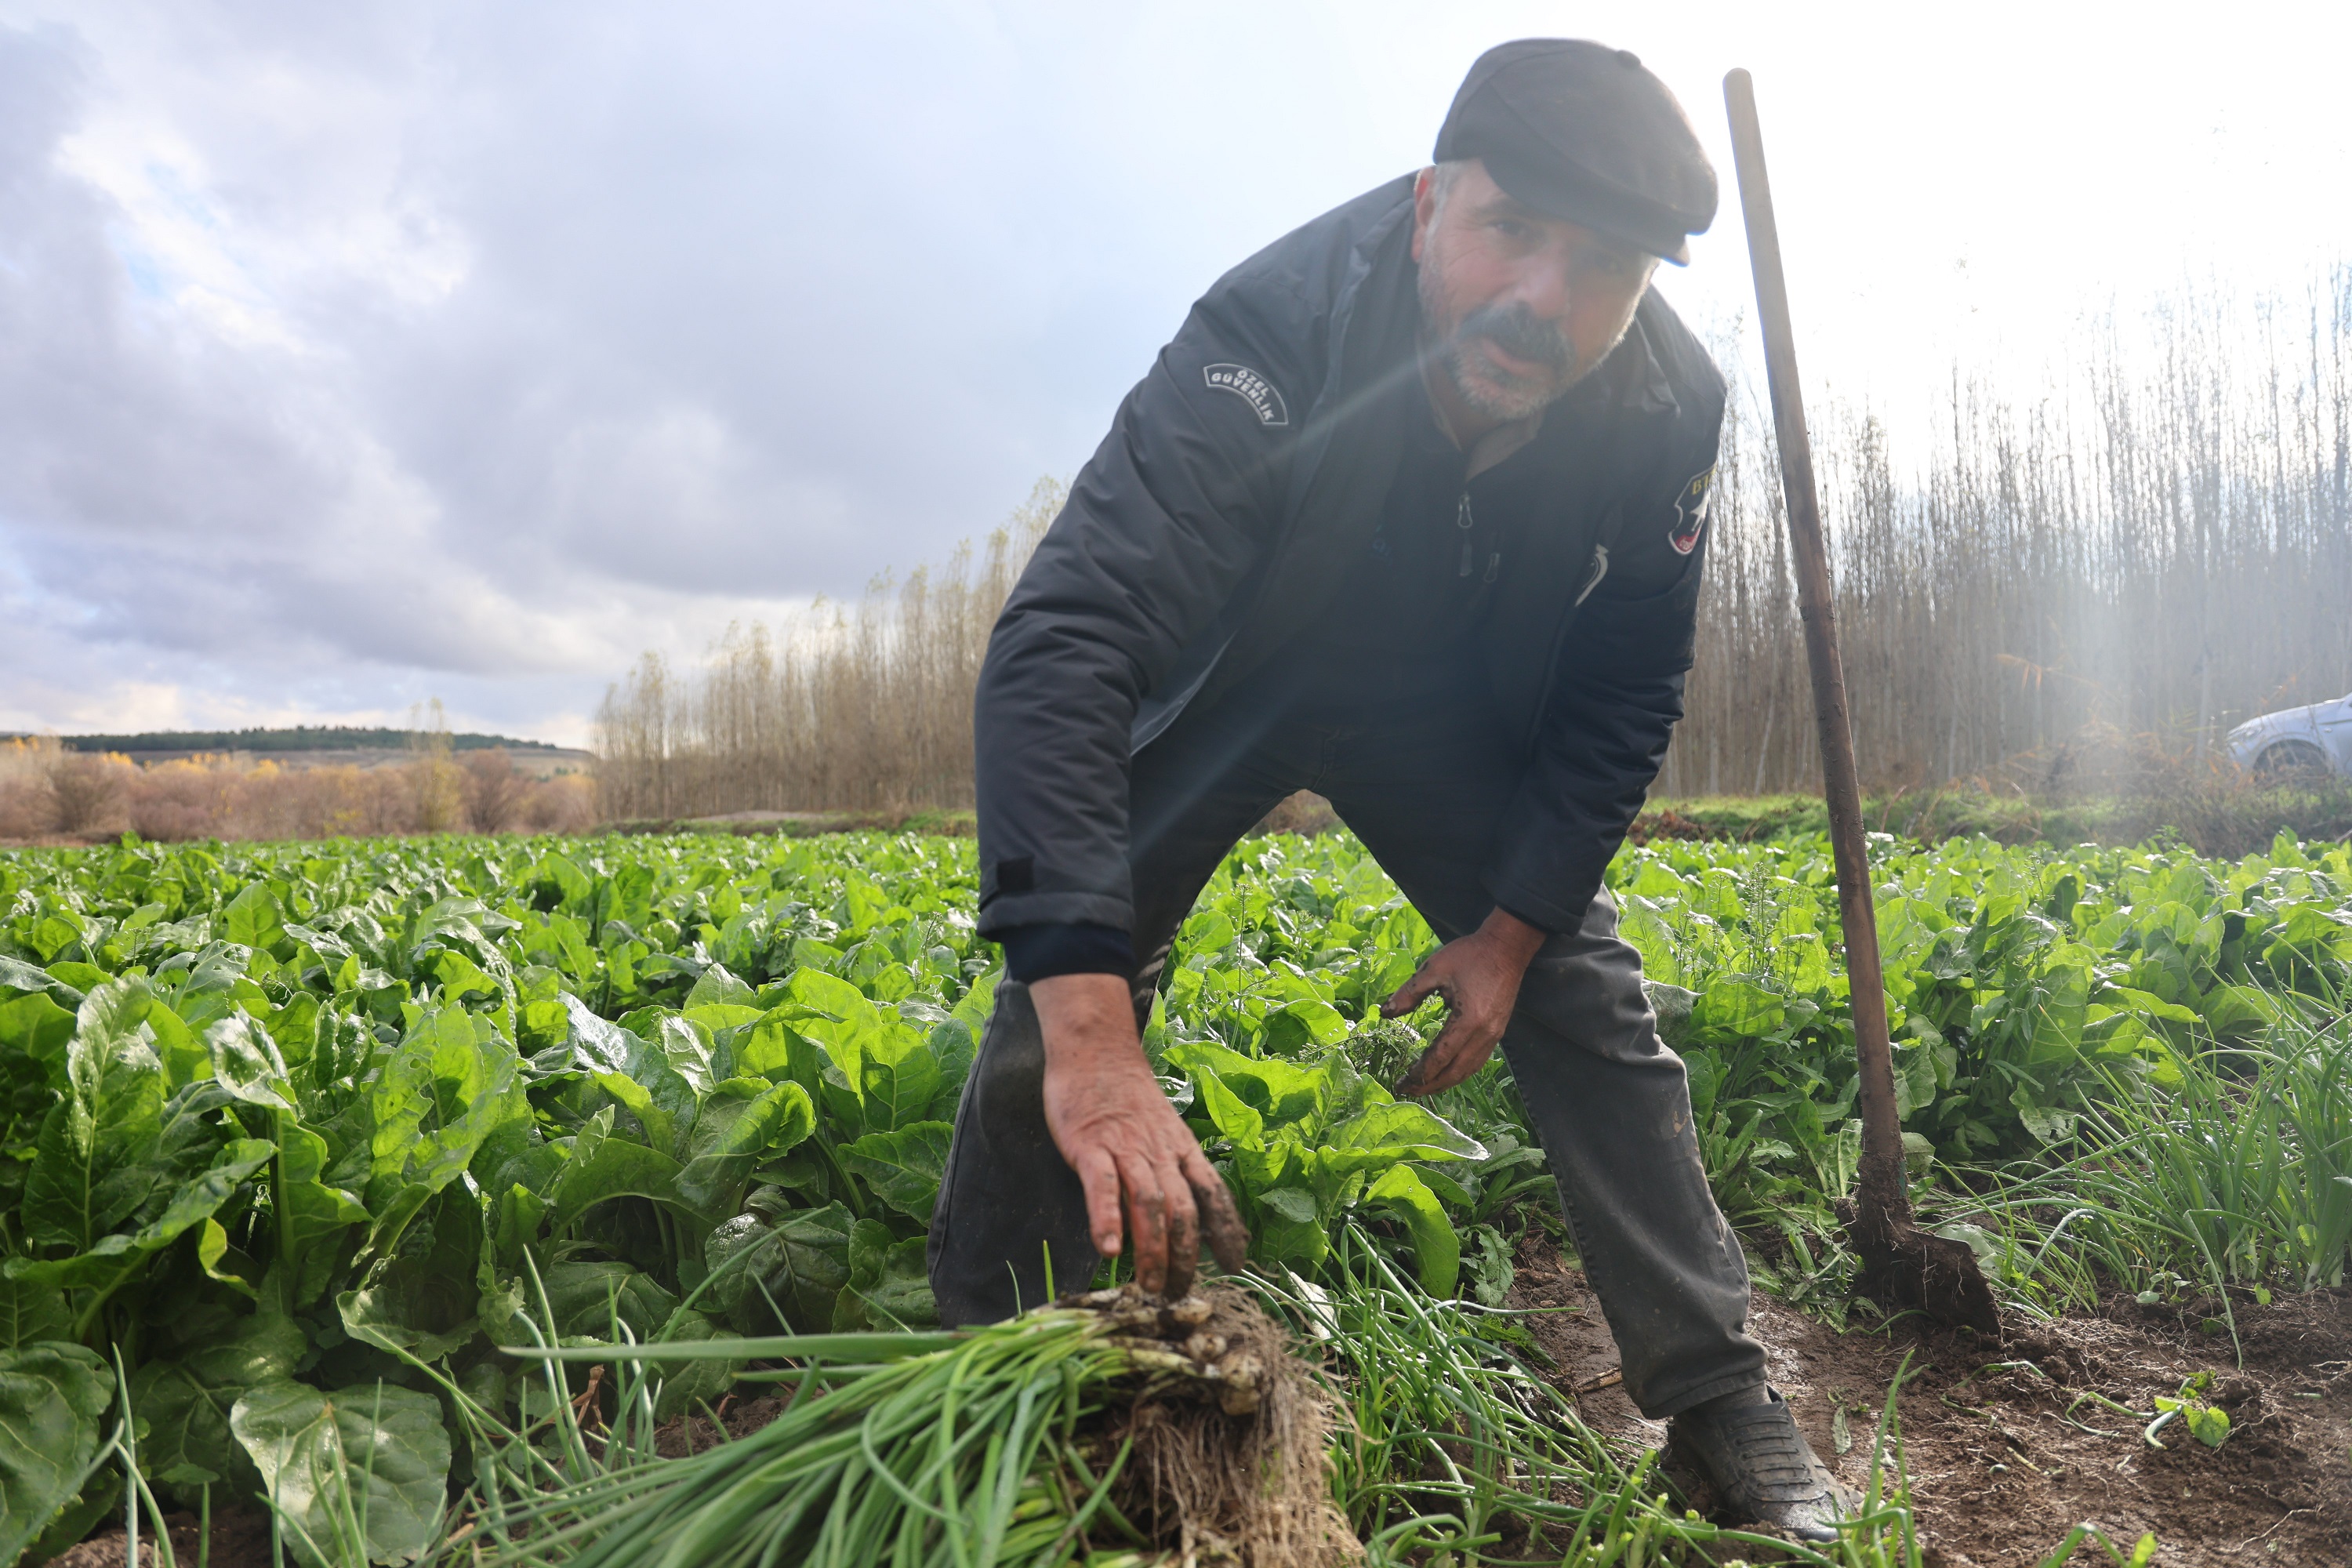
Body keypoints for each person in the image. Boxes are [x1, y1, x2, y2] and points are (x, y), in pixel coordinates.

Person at [928, 38, 1854, 1541]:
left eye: (1607, 265)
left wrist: (1511, 929)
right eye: (1512, 231)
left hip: (1443, 704)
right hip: (1248, 671)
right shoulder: (1269, 334)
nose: (1544, 302)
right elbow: (1070, 639)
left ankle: (1721, 1404)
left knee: (1580, 991)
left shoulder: (1664, 408)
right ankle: (986, 1362)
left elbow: (1626, 683)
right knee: (1065, 996)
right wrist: (1093, 1027)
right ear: (1430, 204)